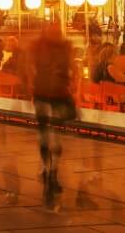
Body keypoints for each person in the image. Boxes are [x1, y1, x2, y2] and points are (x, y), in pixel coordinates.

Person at [28, 23, 75, 212]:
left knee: (54, 138)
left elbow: (71, 67)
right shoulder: (38, 47)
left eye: (57, 31)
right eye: (52, 31)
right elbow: (29, 68)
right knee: (48, 138)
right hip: (44, 94)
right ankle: (49, 173)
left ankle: (51, 172)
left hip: (59, 95)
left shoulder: (65, 46)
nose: (56, 34)